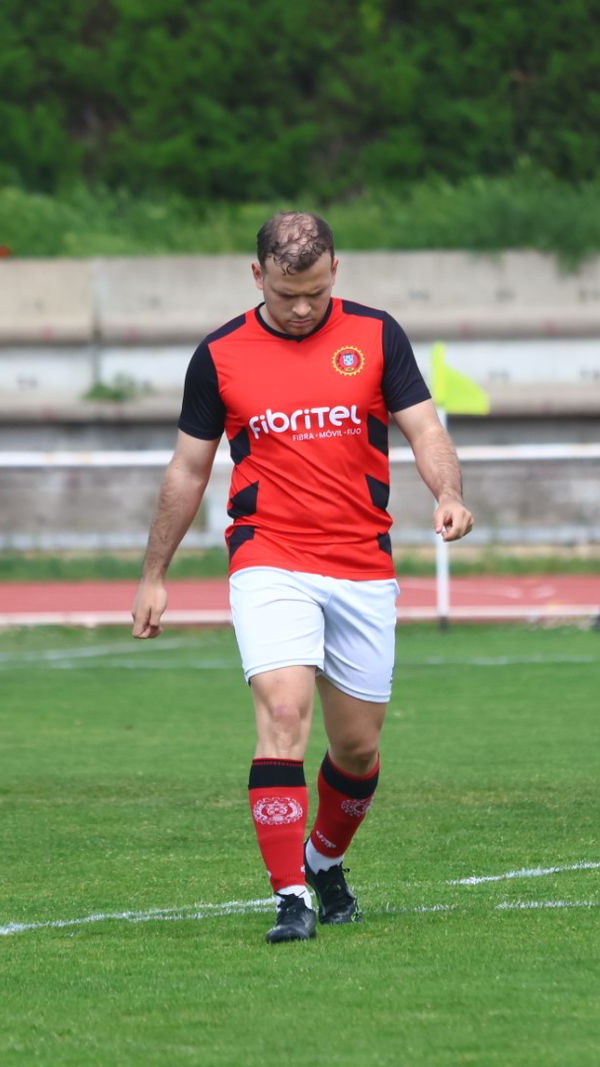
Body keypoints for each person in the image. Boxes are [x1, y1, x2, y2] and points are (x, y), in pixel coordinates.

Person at [131, 212, 474, 942]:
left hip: (361, 562)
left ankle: (322, 859)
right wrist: (154, 573)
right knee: (283, 714)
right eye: (287, 294)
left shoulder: (378, 336)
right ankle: (290, 893)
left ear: (336, 273)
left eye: (315, 294)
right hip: (269, 555)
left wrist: (447, 492)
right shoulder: (219, 354)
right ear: (257, 275)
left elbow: (426, 429)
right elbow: (188, 468)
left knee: (357, 748)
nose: (301, 309)